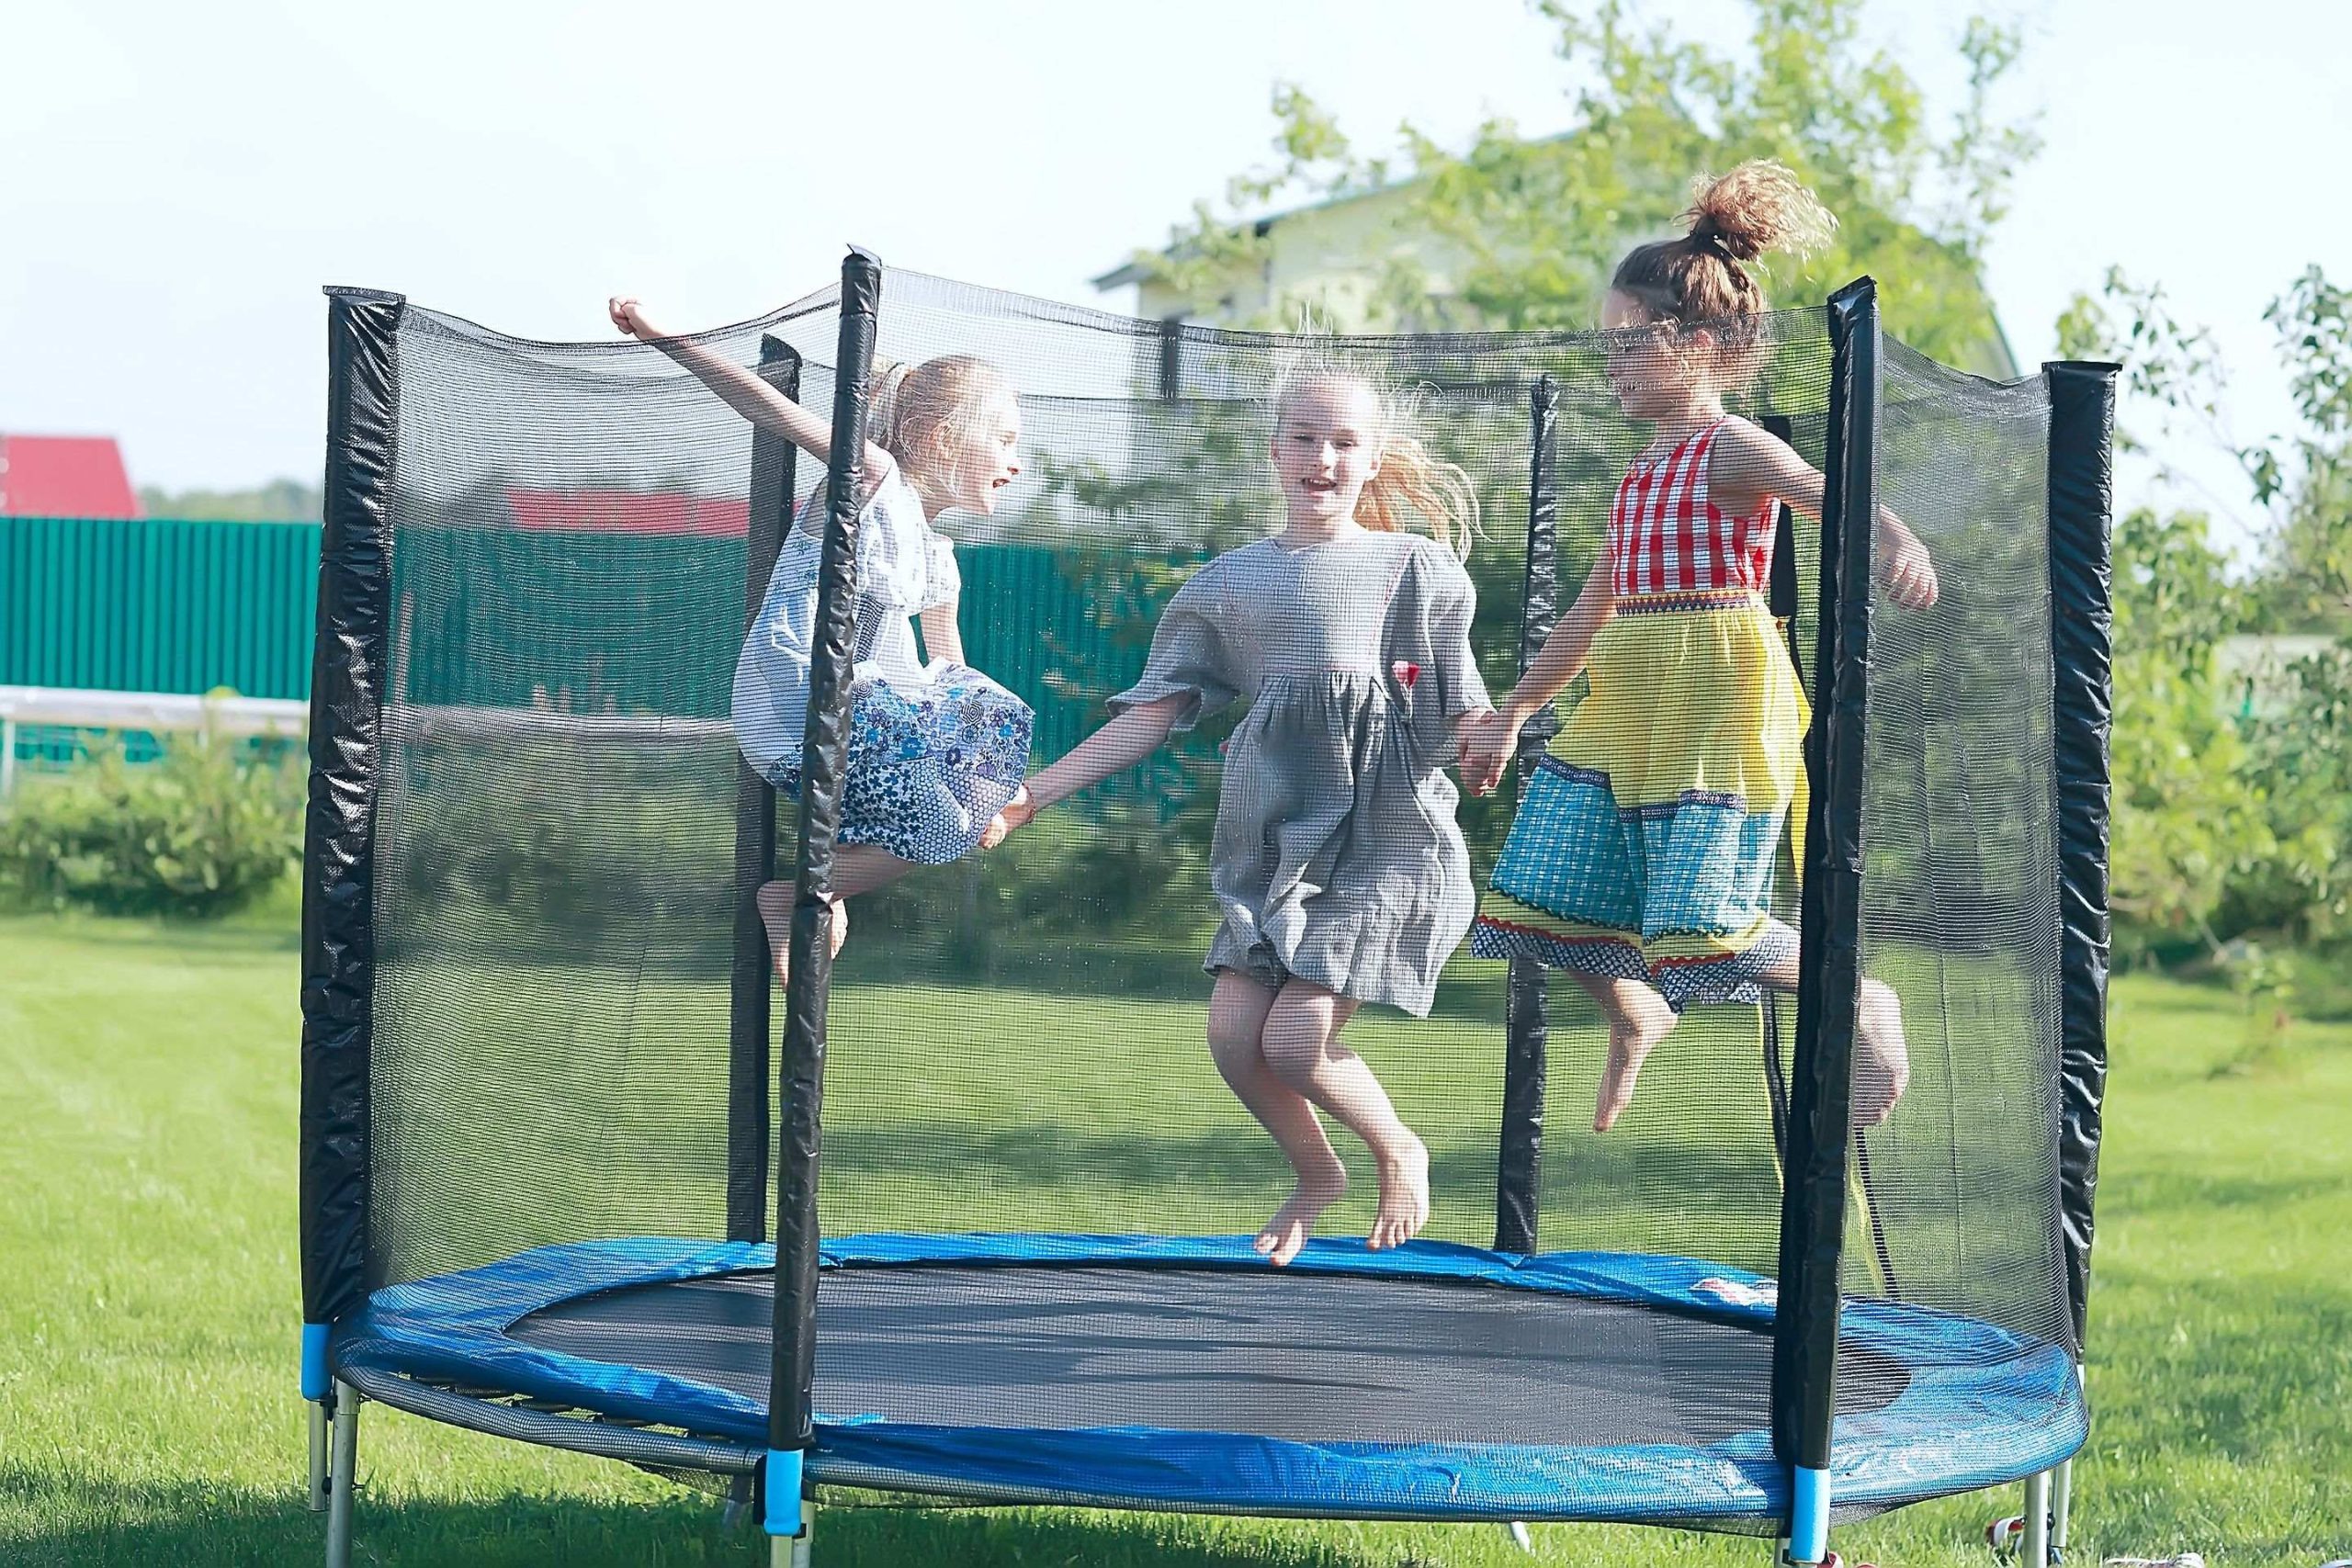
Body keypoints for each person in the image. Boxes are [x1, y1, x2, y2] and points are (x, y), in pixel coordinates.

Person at [1459, 161, 1938, 1134]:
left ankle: (1855, 996)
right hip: (1631, 706)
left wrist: (1898, 543)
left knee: (1703, 922)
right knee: (1543, 894)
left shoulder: (1732, 450)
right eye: (1609, 347)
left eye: (1629, 345)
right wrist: (1515, 708)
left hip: (1715, 702)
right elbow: (1591, 609)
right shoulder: (1640, 473)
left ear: (1704, 344)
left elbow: (1831, 487)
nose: (1614, 365)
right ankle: (1634, 1009)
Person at [987, 357, 1494, 1267]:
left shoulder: (1411, 568)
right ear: (1273, 451)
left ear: (1373, 459)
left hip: (1385, 844)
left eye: (1345, 442)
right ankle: (1315, 1173)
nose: (1324, 458)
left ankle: (1397, 1149)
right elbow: (1150, 715)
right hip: (1275, 846)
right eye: (1305, 437)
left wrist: (1486, 734)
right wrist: (1034, 793)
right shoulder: (1228, 585)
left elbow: (1463, 699)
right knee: (1232, 1036)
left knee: (1295, 1037)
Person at [609, 297, 1033, 975]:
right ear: (948, 440)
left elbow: (953, 675)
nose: (1017, 462)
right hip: (798, 703)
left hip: (867, 723)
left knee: (953, 821)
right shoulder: (872, 479)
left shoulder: (940, 558)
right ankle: (816, 887)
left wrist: (989, 783)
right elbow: (767, 410)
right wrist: (666, 338)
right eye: (1005, 440)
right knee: (969, 787)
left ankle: (812, 888)